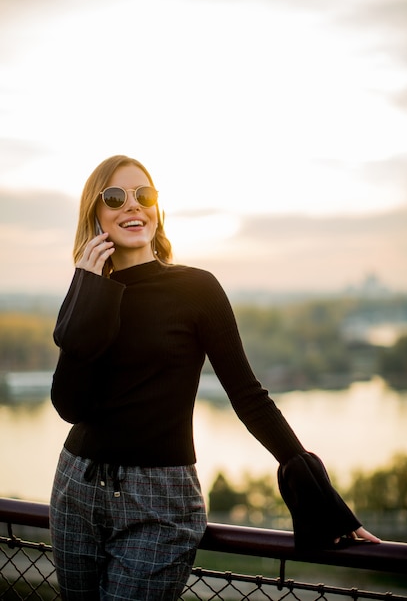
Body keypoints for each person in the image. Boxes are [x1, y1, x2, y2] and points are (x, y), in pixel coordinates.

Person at [50, 154, 380, 601]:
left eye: (143, 195)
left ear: (158, 209)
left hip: (160, 500)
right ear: (96, 215)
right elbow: (69, 405)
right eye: (115, 197)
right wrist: (90, 289)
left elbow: (248, 395)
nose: (132, 205)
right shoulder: (87, 290)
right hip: (77, 487)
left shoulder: (196, 289)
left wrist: (324, 501)